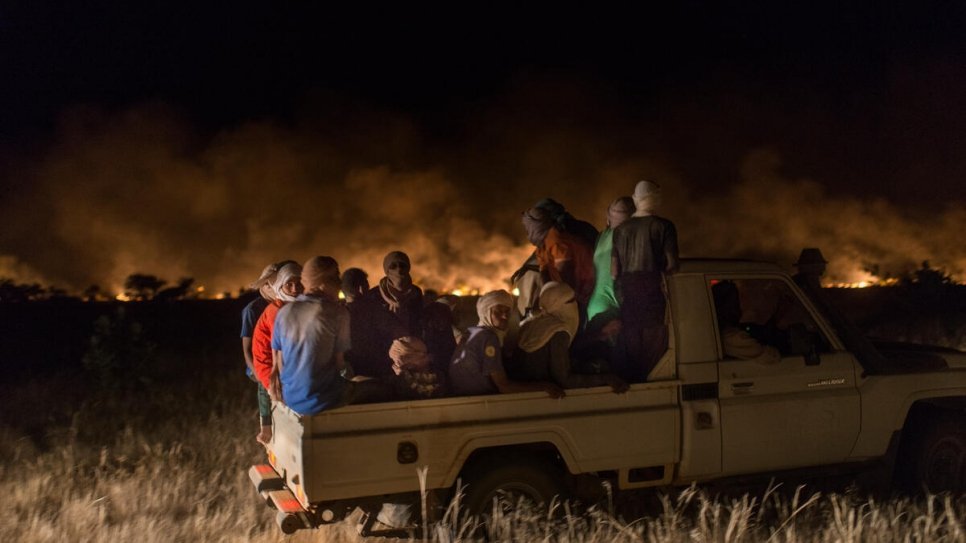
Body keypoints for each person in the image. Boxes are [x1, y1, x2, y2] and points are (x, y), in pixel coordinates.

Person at [611, 180, 679, 382]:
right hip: (653, 303)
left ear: (635, 199)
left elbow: (614, 271)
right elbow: (672, 265)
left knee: (633, 358)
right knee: (652, 361)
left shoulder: (620, 230)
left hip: (629, 303)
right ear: (657, 199)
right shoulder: (664, 227)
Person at [271, 256, 351, 416]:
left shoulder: (284, 312)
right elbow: (340, 364)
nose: (339, 282)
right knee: (376, 387)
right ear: (322, 282)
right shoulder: (337, 312)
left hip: (291, 399)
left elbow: (280, 361)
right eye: (336, 276)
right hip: (324, 399)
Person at [513, 282, 627, 392]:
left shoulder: (532, 322)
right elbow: (564, 379)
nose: (575, 304)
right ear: (555, 304)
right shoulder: (558, 331)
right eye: (570, 301)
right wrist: (606, 379)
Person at [449, 290, 564, 398]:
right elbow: (504, 387)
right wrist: (544, 387)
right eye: (498, 311)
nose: (504, 316)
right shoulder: (489, 338)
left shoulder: (472, 331)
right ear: (486, 312)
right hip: (480, 402)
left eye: (507, 311)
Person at [250, 262, 302, 443]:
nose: (295, 288)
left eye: (299, 283)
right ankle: (267, 428)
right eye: (289, 284)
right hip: (270, 364)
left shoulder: (298, 306)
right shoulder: (276, 310)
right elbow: (283, 348)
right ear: (280, 285)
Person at [240, 261, 292, 444]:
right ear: (266, 285)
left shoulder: (287, 303)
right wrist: (261, 375)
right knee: (266, 382)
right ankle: (266, 428)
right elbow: (248, 351)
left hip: (281, 357)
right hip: (259, 360)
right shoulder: (253, 310)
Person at [521, 206, 596, 321]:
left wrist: (555, 303)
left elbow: (566, 277)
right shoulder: (542, 246)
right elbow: (544, 274)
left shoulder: (557, 241)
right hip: (565, 293)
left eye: (528, 227)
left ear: (537, 225)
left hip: (582, 294)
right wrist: (543, 300)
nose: (527, 231)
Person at [586, 196, 635, 333]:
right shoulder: (627, 239)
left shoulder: (602, 236)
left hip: (594, 307)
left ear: (608, 218)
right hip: (612, 314)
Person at [712, 280, 780, 364]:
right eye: (738, 299)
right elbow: (771, 357)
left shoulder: (721, 334)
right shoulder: (732, 338)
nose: (741, 303)